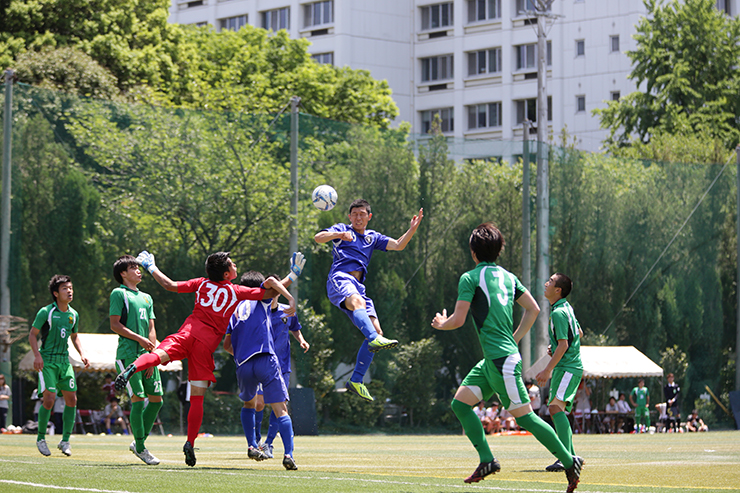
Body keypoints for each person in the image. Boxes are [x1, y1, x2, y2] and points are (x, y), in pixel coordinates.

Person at [114, 250, 303, 466]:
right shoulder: (236, 291)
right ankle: (190, 443)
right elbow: (269, 292)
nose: (235, 267)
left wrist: (151, 267)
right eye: (232, 265)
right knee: (197, 398)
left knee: (157, 355)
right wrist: (294, 275)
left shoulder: (202, 284)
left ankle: (133, 368)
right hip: (205, 347)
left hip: (188, 332)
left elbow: (169, 285)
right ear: (225, 274)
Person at [431, 223, 583, 491]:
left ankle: (569, 461)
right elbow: (533, 309)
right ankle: (487, 460)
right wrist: (514, 338)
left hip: (501, 361)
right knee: (461, 404)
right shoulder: (508, 277)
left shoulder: (470, 278)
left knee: (526, 418)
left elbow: (458, 319)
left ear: (473, 251)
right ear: (498, 250)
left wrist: (442, 323)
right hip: (493, 360)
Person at [314, 199, 423, 402]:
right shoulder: (342, 229)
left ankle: (356, 380)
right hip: (340, 278)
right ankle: (373, 339)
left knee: (377, 331)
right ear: (349, 216)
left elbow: (399, 245)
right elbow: (318, 237)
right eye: (354, 214)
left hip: (359, 288)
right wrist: (338, 235)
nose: (358, 217)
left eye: (362, 214)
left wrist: (412, 229)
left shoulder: (373, 237)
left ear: (369, 217)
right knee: (359, 307)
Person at [224, 271, 299, 470]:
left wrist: (240, 357)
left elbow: (226, 345)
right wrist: (291, 298)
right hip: (265, 358)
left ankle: (251, 445)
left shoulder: (235, 309)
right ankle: (288, 454)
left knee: (249, 404)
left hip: (243, 364)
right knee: (280, 409)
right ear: (259, 289)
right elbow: (273, 282)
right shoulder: (263, 301)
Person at [109, 255, 163, 465]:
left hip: (146, 355)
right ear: (123, 273)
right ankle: (141, 447)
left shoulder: (147, 297)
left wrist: (151, 357)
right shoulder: (118, 293)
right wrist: (139, 339)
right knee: (138, 399)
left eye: (139, 268)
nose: (139, 271)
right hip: (128, 355)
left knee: (157, 400)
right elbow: (115, 325)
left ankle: (138, 442)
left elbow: (151, 327)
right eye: (134, 268)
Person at [29, 274, 90, 457]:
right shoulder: (45, 312)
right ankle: (41, 438)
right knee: (49, 398)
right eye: (65, 288)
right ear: (56, 293)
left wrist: (82, 353)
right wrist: (37, 355)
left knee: (72, 400)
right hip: (47, 361)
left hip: (65, 361)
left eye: (70, 288)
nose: (69, 291)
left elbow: (74, 336)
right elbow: (32, 334)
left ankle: (65, 441)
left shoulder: (73, 314)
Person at [535, 273, 584, 473]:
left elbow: (564, 344)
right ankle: (571, 457)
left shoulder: (558, 312)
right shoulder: (565, 308)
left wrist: (547, 369)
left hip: (568, 367)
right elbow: (579, 333)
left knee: (555, 409)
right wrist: (555, 345)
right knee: (556, 409)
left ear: (558, 290)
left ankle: (567, 459)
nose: (546, 284)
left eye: (550, 282)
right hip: (568, 367)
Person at [259, 276, 310, 459]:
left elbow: (295, 327)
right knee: (257, 404)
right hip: (261, 364)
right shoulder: (260, 311)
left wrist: (302, 340)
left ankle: (269, 443)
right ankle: (255, 441)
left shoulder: (287, 311)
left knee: (280, 405)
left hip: (282, 365)